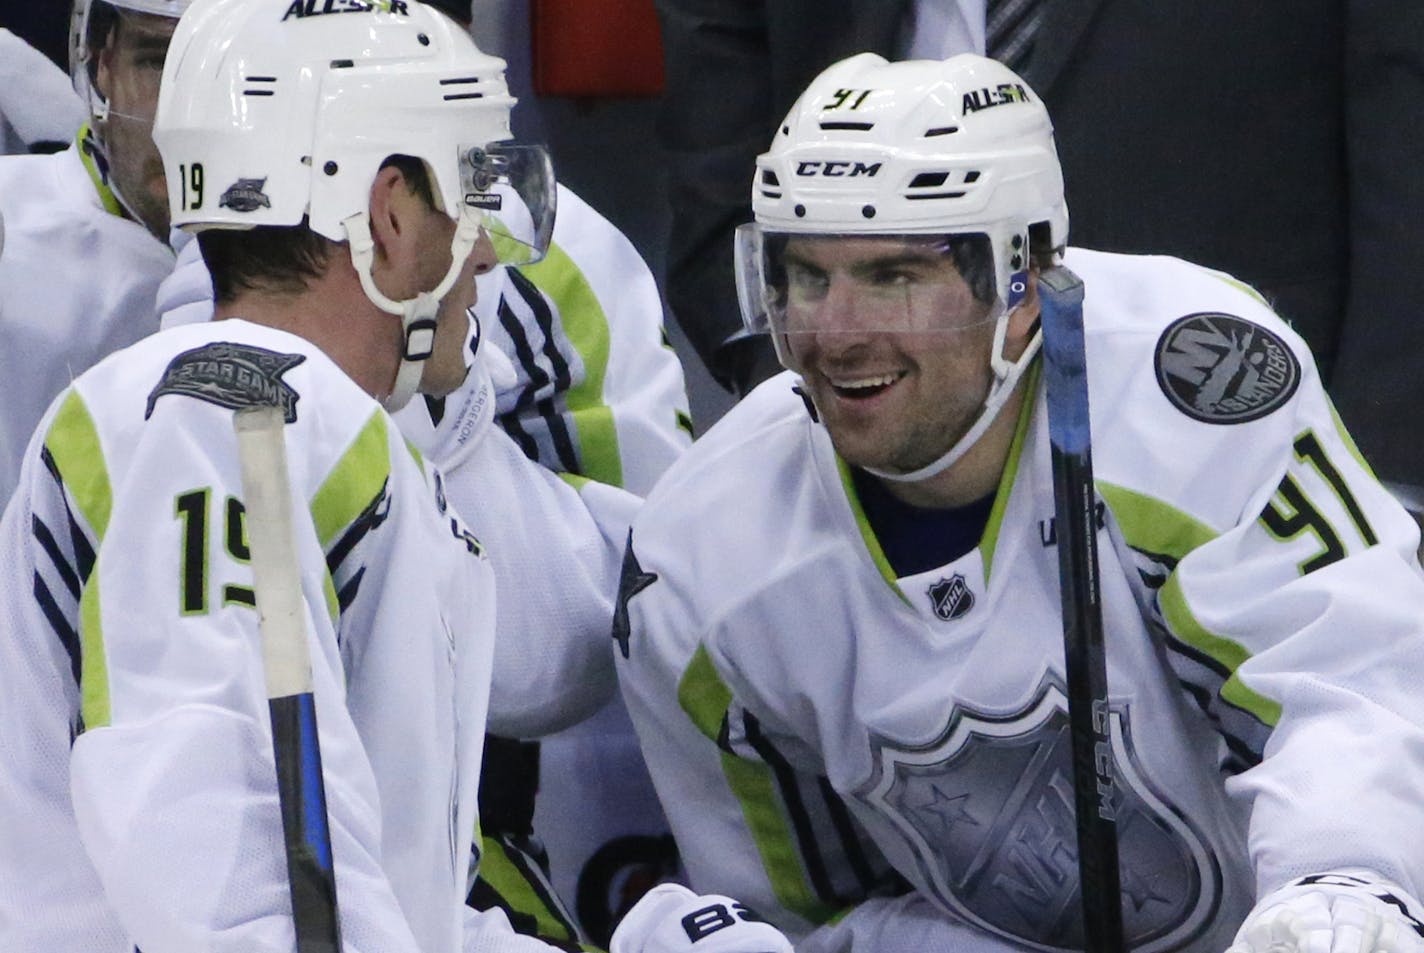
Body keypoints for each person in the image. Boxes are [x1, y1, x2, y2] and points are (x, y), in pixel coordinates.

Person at [615, 52, 1424, 953]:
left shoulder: (1190, 380)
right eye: (808, 276)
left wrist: (1340, 887)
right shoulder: (699, 558)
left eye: (895, 278)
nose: (836, 334)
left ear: (1025, 280)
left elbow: (1352, 681)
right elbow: (797, 918)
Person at [653, 0, 1424, 507]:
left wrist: (1377, 478)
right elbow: (720, 105)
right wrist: (818, 394)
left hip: (1237, 460)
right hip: (858, 483)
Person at [0, 0, 182, 507]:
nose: (191, 117)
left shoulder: (358, 260)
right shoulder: (11, 221)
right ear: (101, 63)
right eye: (161, 60)